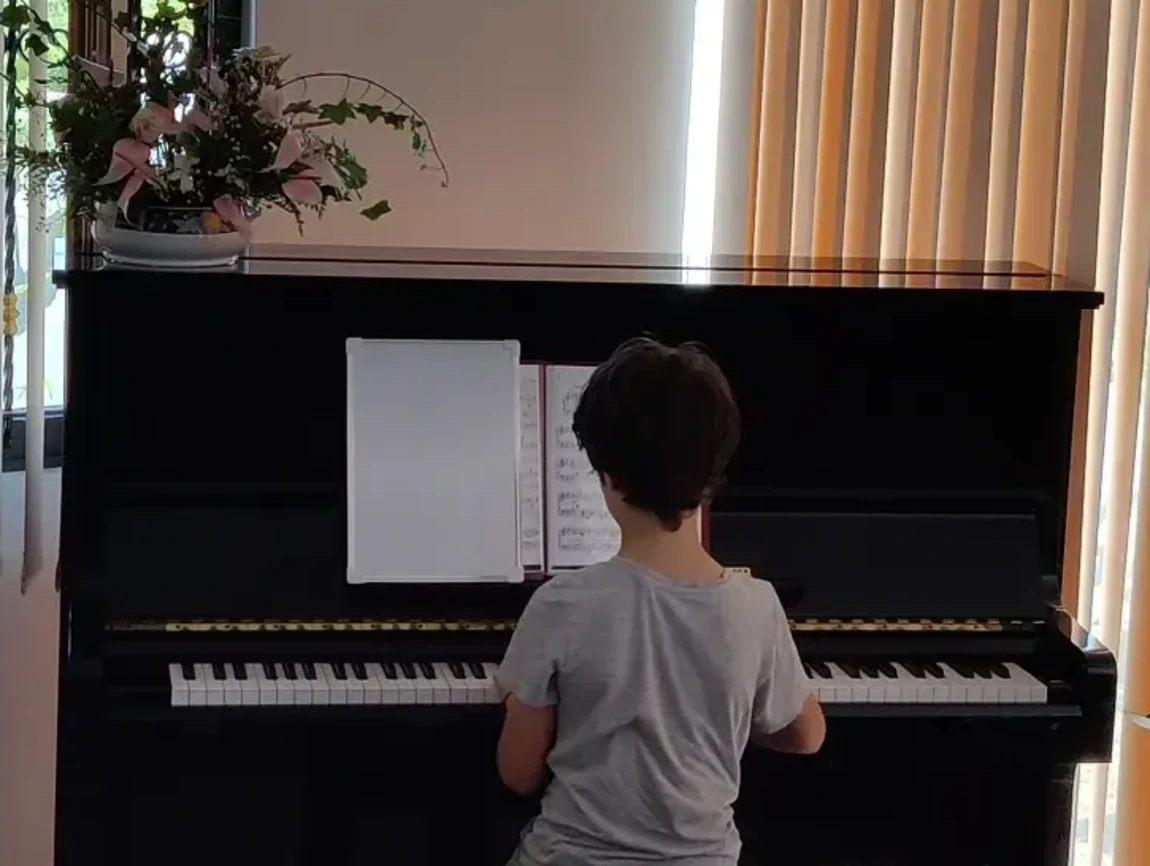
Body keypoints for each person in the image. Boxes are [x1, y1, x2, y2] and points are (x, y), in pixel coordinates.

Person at [495, 337, 825, 866]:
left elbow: (519, 774)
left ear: (609, 479)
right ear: (712, 477)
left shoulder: (562, 603)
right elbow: (807, 735)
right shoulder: (757, 605)